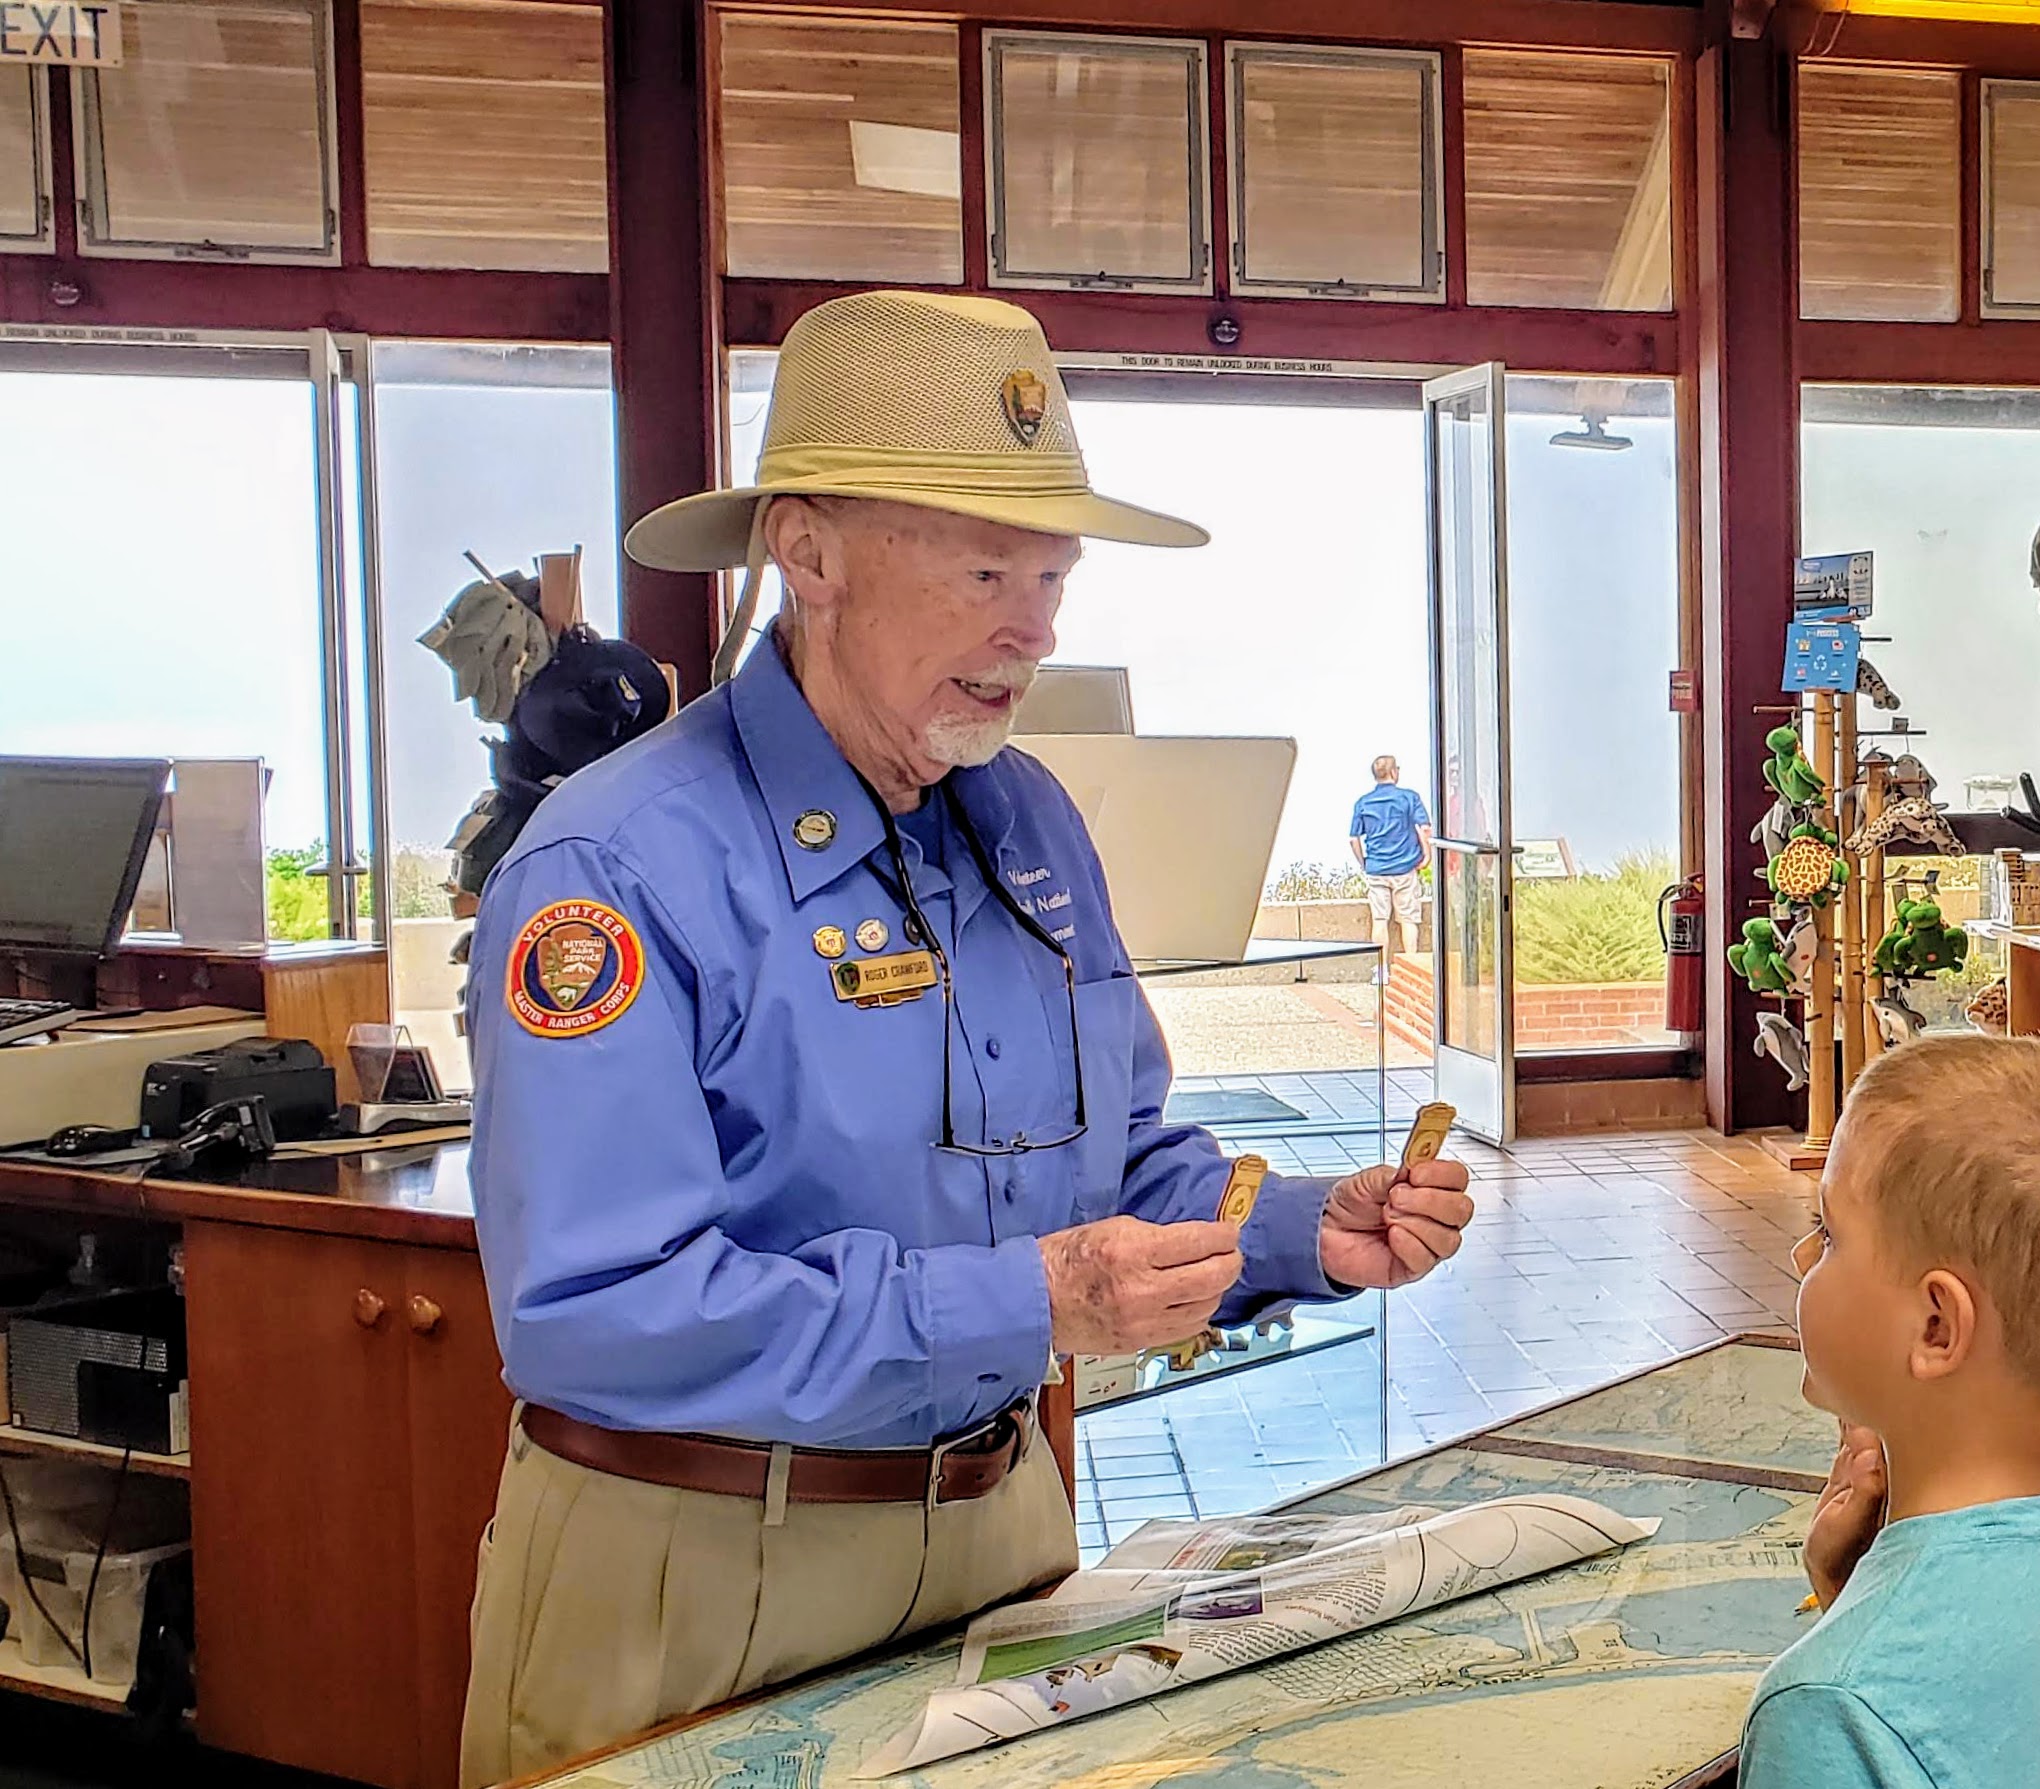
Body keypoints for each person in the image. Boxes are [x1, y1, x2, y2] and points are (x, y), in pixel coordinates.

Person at [457, 290, 1476, 1789]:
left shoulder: (1029, 819)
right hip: (700, 1565)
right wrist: (1032, 1298)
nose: (1034, 628)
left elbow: (1116, 1157)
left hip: (1007, 1539)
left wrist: (1295, 1231)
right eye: (988, 569)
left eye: (1053, 575)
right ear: (808, 553)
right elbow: (603, 1309)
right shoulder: (613, 865)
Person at [1748, 1034, 2040, 1789]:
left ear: (1937, 1326)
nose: (1800, 1257)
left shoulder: (1826, 1709)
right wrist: (1849, 1593)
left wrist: (1853, 1642)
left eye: (1828, 1233)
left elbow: (1886, 1714)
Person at [1348, 754, 1433, 953]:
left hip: (1377, 868)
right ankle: (1410, 962)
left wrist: (1364, 863)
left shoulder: (1363, 803)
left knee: (1379, 919)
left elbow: (1353, 839)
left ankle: (1381, 968)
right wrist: (1426, 855)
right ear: (1394, 772)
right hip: (1405, 867)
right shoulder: (1409, 797)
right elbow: (1425, 828)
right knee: (1408, 919)